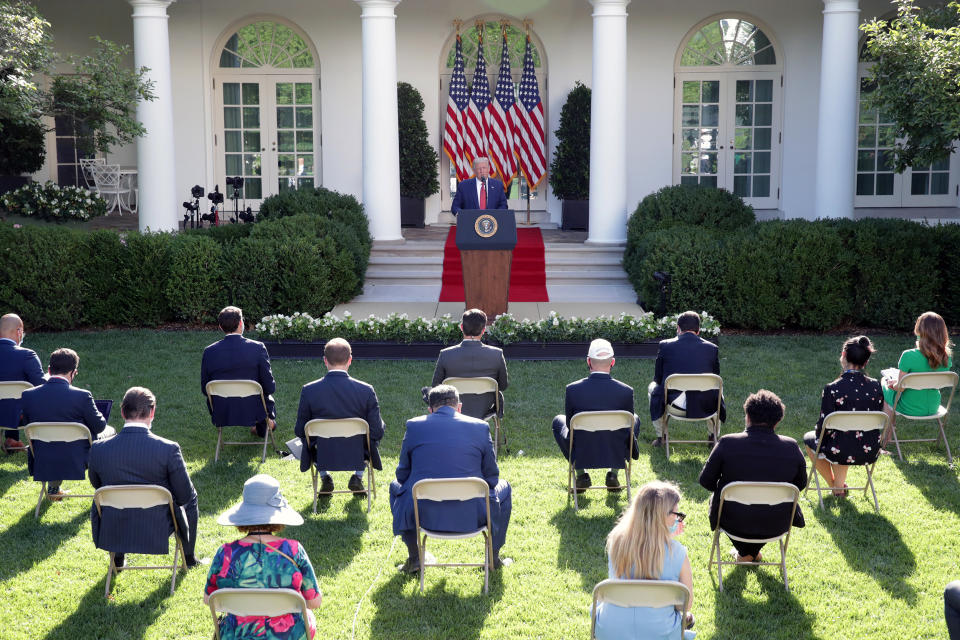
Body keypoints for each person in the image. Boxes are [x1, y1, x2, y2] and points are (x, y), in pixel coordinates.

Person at [390, 385, 512, 573]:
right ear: (459, 407)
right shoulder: (480, 427)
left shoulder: (414, 427)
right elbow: (492, 478)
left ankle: (414, 557)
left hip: (424, 513)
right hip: (474, 513)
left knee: (394, 487)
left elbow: (401, 475)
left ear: (430, 410)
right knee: (506, 488)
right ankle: (493, 558)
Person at [88, 386, 202, 568]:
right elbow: (184, 496)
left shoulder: (98, 449)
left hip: (115, 520)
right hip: (157, 524)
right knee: (191, 498)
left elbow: (96, 483)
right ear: (152, 411)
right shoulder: (168, 449)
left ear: (123, 412)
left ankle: (118, 557)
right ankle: (188, 557)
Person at [206, 474, 322, 640]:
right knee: (308, 616)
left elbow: (209, 600)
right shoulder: (294, 550)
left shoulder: (224, 553)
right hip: (289, 635)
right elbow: (314, 602)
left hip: (236, 635)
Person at [698, 389, 806, 563]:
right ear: (777, 421)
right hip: (776, 521)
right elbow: (800, 484)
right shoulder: (792, 447)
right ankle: (749, 553)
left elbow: (706, 481)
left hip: (733, 519)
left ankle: (746, 553)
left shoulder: (727, 443)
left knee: (718, 498)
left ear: (747, 416)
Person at [594, 481, 695, 640]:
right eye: (676, 515)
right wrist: (670, 542)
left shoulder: (615, 542)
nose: (679, 520)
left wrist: (666, 537)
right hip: (660, 633)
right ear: (660, 517)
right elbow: (685, 605)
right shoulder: (678, 553)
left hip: (612, 630)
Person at [294, 337, 385, 496]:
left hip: (322, 453)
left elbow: (300, 431)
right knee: (375, 431)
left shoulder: (309, 390)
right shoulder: (366, 390)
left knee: (308, 437)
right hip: (358, 453)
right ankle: (358, 476)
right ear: (350, 360)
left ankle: (324, 477)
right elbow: (377, 431)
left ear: (325, 360)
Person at [21, 348, 112, 501]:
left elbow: (27, 424)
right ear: (73, 372)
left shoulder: (28, 395)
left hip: (44, 451)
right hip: (78, 452)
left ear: (49, 370)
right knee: (111, 432)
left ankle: (53, 488)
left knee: (54, 438)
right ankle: (104, 488)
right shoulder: (82, 396)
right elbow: (99, 427)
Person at [551, 338, 641, 492]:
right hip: (614, 446)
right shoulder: (626, 391)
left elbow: (568, 425)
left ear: (588, 362)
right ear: (612, 362)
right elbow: (628, 428)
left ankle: (581, 475)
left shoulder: (573, 389)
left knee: (557, 421)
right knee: (634, 420)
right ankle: (613, 474)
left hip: (583, 446)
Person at [803, 336, 884, 497]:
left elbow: (823, 426)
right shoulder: (876, 386)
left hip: (839, 449)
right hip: (869, 449)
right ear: (866, 362)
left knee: (811, 438)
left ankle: (835, 487)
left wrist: (819, 436)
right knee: (843, 437)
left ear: (843, 354)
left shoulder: (832, 389)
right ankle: (838, 487)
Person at [648, 311, 725, 447]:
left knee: (652, 387)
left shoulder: (665, 345)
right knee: (718, 390)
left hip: (675, 405)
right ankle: (713, 437)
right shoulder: (712, 348)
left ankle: (661, 437)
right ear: (698, 330)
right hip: (705, 405)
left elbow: (658, 379)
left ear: (678, 328)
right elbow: (715, 377)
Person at [201, 306, 277, 437]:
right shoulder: (257, 348)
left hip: (222, 409)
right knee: (265, 396)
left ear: (220, 327)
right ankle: (265, 425)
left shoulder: (209, 352)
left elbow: (205, 389)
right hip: (254, 409)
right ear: (241, 323)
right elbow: (269, 387)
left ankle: (263, 426)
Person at [431, 308, 509, 420]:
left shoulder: (446, 354)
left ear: (462, 328)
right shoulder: (496, 354)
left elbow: (436, 386)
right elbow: (503, 385)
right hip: (485, 407)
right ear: (483, 330)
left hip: (453, 405)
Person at [881, 311, 953, 421]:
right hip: (933, 407)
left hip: (909, 407)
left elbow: (901, 388)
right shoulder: (946, 358)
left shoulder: (908, 355)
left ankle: (888, 435)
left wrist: (892, 384)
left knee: (883, 383)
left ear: (919, 331)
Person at [0, 313, 45, 452]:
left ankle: (11, 438)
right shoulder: (27, 355)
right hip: (21, 416)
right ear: (19, 331)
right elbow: (41, 386)